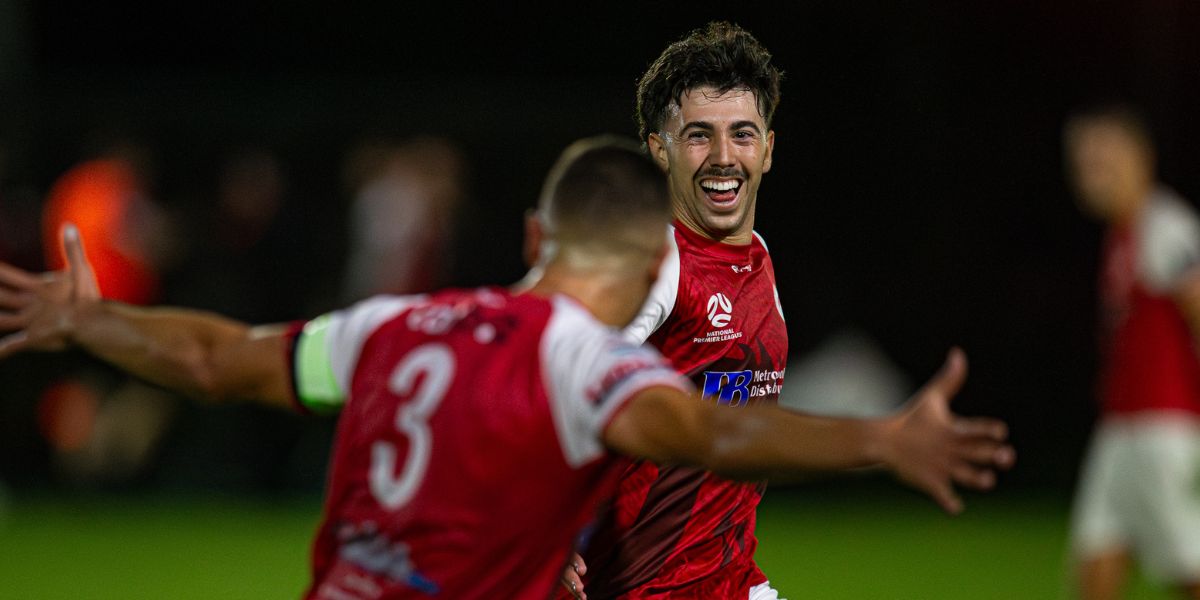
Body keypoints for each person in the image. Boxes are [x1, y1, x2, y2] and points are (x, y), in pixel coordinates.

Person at [0, 136, 1012, 599]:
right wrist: (882, 435)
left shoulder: (395, 324)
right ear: (653, 267)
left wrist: (91, 322)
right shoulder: (580, 366)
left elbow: (214, 358)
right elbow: (717, 431)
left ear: (535, 231)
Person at [561, 22, 1009, 600]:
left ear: (768, 149)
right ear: (658, 151)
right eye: (699, 135)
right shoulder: (658, 264)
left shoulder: (757, 258)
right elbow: (551, 373)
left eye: (742, 134)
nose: (724, 158)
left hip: (732, 580)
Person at [1064, 105, 1200, 600]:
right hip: (1121, 426)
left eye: (1104, 158)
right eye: (1082, 163)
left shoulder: (1166, 226)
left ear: (1140, 157)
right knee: (1095, 555)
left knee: (1187, 563)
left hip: (1160, 424)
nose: (1091, 174)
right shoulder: (1122, 232)